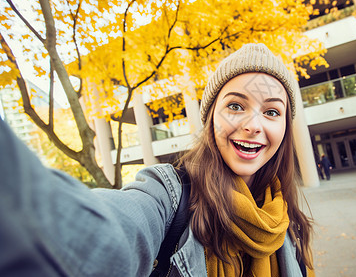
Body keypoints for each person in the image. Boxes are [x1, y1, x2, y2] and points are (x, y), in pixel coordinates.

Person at [0, 43, 314, 277]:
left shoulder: (286, 218)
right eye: (235, 106)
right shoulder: (168, 195)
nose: (253, 125)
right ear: (210, 120)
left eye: (272, 111)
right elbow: (107, 234)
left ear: (285, 127)